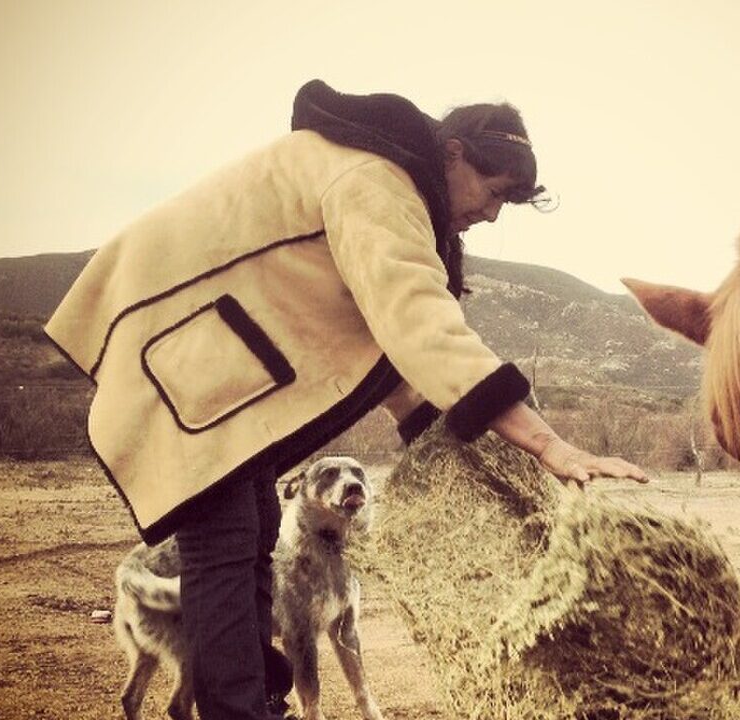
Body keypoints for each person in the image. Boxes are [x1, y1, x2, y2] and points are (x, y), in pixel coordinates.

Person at [45, 80, 646, 720]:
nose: (493, 214)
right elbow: (417, 318)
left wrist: (441, 443)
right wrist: (548, 445)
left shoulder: (382, 184)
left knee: (252, 531)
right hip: (177, 335)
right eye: (494, 192)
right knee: (222, 542)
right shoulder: (378, 183)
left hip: (210, 358)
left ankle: (254, 701)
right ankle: (239, 711)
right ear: (452, 154)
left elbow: (378, 347)